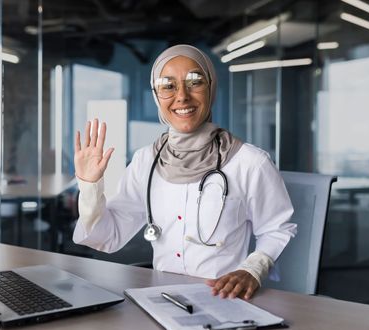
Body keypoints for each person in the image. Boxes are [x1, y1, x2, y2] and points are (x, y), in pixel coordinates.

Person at [73, 44, 296, 300]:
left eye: (194, 82)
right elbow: (109, 237)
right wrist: (89, 186)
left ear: (211, 88)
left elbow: (277, 228)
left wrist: (253, 269)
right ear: (157, 95)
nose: (182, 96)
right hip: (161, 299)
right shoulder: (146, 160)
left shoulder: (249, 162)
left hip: (224, 299)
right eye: (168, 85)